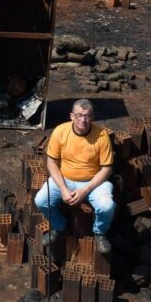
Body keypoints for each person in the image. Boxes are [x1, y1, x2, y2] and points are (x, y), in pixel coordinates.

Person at [34, 99, 115, 254]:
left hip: (94, 182)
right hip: (65, 179)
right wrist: (64, 189)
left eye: (87, 116)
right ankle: (60, 227)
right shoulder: (60, 131)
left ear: (92, 117)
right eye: (79, 115)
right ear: (71, 116)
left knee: (107, 206)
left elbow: (106, 169)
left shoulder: (102, 135)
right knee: (41, 200)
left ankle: (99, 232)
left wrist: (85, 190)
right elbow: (51, 163)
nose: (83, 120)